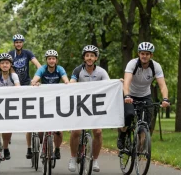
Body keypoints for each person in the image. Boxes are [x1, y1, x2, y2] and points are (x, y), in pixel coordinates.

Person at [117, 42, 170, 149]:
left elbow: (163, 85)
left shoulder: (156, 66)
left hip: (145, 95)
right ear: (138, 54)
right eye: (142, 54)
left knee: (146, 122)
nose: (144, 56)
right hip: (130, 94)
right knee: (128, 115)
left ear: (151, 55)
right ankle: (122, 135)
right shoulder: (132, 64)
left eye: (147, 54)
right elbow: (126, 82)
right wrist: (127, 96)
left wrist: (165, 99)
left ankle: (140, 148)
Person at [68, 45, 110, 173]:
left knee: (97, 132)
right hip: (80, 105)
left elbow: (109, 84)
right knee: (76, 132)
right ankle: (73, 158)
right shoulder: (78, 70)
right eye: (87, 55)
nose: (89, 58)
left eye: (92, 55)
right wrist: (73, 85)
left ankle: (95, 159)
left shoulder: (101, 72)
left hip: (95, 106)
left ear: (96, 58)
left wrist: (117, 82)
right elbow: (72, 82)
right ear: (84, 58)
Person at [30, 49, 69, 160]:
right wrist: (35, 82)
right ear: (46, 60)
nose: (51, 61)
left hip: (56, 101)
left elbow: (66, 80)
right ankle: (43, 146)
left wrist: (67, 83)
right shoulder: (42, 69)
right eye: (49, 59)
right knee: (41, 129)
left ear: (56, 60)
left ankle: (57, 149)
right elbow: (34, 80)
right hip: (44, 101)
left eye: (53, 59)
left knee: (58, 131)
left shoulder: (60, 69)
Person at [8, 34, 42, 159]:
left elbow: (38, 65)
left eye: (20, 42)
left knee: (29, 114)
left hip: (27, 84)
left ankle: (29, 148)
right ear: (14, 43)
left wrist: (37, 77)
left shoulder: (27, 53)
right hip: (14, 84)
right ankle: (8, 134)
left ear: (23, 43)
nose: (18, 44)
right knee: (12, 111)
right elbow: (9, 68)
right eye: (16, 42)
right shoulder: (11, 54)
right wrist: (15, 81)